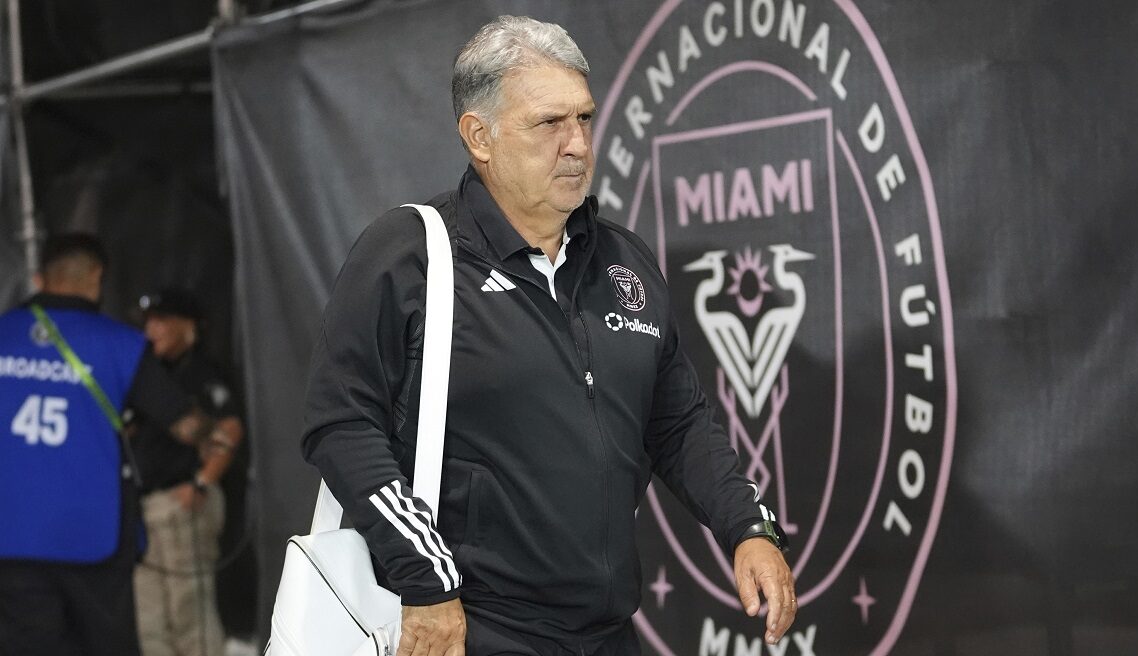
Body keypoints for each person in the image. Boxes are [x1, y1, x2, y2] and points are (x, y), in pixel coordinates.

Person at [302, 15, 797, 656]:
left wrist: (747, 527)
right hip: (471, 629)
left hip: (610, 633)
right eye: (549, 124)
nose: (577, 145)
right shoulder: (411, 255)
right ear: (480, 137)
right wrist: (425, 582)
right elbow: (339, 423)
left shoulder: (626, 262)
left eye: (584, 119)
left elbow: (677, 422)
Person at [0, 234, 237, 655]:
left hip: (11, 532)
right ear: (96, 277)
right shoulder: (121, 344)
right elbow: (184, 424)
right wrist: (212, 435)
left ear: (41, 277)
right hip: (92, 535)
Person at [131, 288, 244, 656]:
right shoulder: (146, 373)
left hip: (181, 503)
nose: (152, 330)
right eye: (148, 321)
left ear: (188, 325)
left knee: (188, 612)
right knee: (149, 617)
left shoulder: (202, 373)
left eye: (162, 321)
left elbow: (229, 430)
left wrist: (202, 481)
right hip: (142, 507)